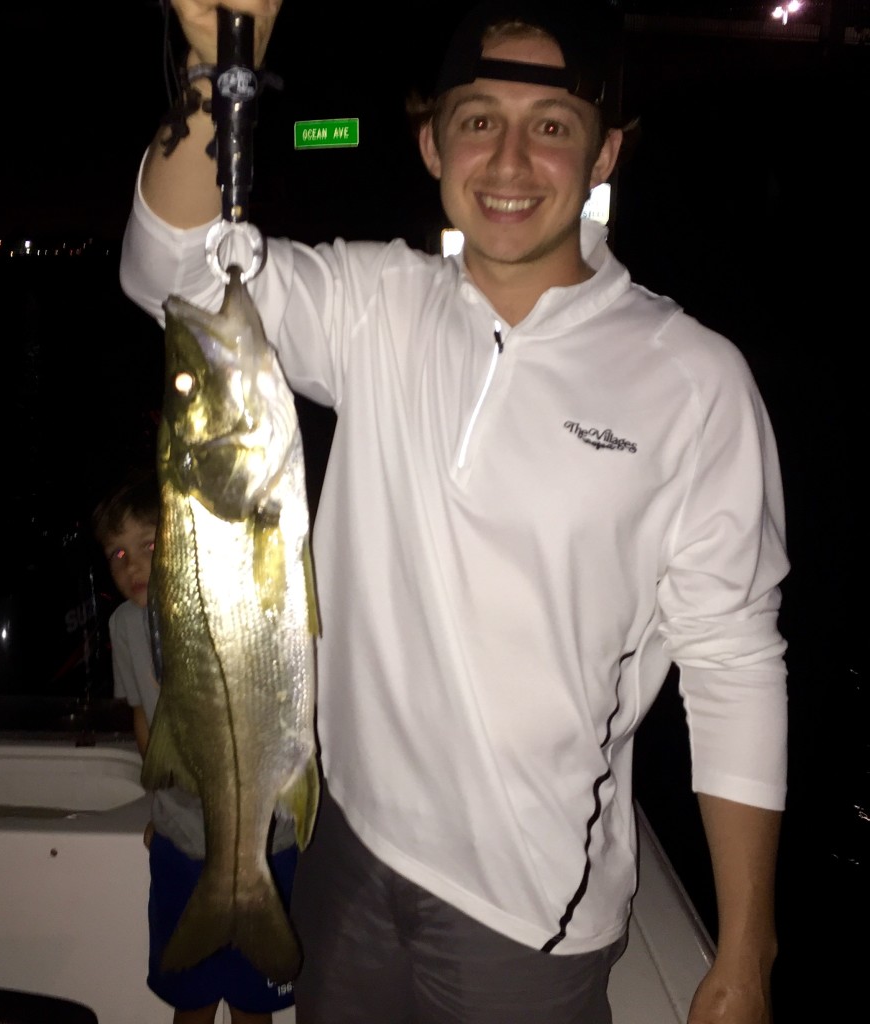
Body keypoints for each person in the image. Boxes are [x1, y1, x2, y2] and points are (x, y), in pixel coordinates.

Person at [118, 2, 789, 1022]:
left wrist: (745, 945)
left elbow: (734, 662)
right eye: (479, 120)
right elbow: (169, 271)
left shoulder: (693, 381)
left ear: (605, 151)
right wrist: (213, 67)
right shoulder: (377, 304)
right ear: (433, 141)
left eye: (551, 125)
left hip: (527, 911)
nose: (511, 160)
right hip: (347, 847)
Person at [91, 466, 299, 1024]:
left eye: (148, 545)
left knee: (255, 1003)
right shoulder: (122, 627)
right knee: (194, 999)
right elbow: (144, 723)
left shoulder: (227, 602)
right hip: (181, 839)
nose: (134, 565)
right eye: (118, 556)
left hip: (266, 834)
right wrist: (159, 805)